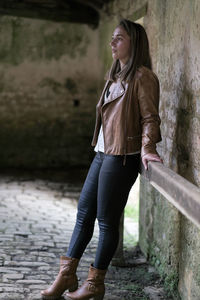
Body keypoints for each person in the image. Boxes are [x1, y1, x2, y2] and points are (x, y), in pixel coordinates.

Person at [41, 19, 163, 300]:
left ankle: (95, 284)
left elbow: (150, 117)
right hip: (103, 153)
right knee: (83, 213)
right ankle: (66, 275)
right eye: (112, 38)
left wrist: (147, 147)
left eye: (119, 38)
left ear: (134, 42)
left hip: (122, 157)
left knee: (106, 221)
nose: (112, 42)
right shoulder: (115, 76)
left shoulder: (142, 76)